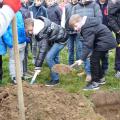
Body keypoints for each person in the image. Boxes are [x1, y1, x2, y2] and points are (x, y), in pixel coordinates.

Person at [69, 14, 117, 90]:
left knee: (93, 60)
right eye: (73, 27)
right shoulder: (88, 23)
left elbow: (87, 45)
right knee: (94, 59)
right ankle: (101, 79)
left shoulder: (87, 28)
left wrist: (81, 59)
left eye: (75, 26)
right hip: (104, 41)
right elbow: (91, 41)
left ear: (80, 21)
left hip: (105, 42)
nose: (75, 29)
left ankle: (95, 83)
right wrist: (88, 54)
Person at [24, 16, 67, 86]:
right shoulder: (38, 24)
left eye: (30, 30)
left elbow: (42, 50)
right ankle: (57, 73)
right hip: (55, 39)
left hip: (61, 39)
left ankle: (55, 79)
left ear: (33, 25)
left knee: (49, 57)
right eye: (28, 31)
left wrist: (38, 66)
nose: (30, 32)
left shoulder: (41, 32)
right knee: (54, 57)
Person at [71, 0, 103, 82]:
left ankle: (91, 73)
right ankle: (86, 70)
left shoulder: (94, 5)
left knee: (91, 55)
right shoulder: (75, 7)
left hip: (92, 35)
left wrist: (85, 23)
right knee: (83, 53)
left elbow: (99, 19)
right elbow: (73, 21)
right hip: (80, 35)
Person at [3, 11, 27, 84]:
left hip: (19, 41)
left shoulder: (7, 13)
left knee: (17, 60)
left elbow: (21, 26)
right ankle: (17, 76)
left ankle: (17, 76)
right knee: (17, 60)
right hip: (17, 41)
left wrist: (10, 42)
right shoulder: (17, 12)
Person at [108, 0, 120, 79]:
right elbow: (111, 17)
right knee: (119, 51)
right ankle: (118, 70)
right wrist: (117, 30)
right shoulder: (117, 4)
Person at [97, 0, 109, 76]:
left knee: (105, 50)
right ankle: (97, 68)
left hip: (106, 30)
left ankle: (105, 67)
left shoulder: (109, 4)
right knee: (96, 50)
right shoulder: (94, 4)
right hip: (96, 30)